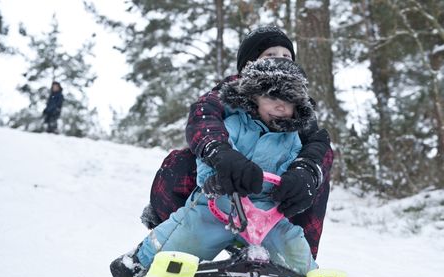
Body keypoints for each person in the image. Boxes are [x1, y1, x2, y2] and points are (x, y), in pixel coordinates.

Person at [111, 58, 318, 277]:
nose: (280, 107)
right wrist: (213, 179)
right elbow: (212, 155)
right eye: (272, 98)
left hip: (265, 211)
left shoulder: (292, 141)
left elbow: (294, 166)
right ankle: (142, 262)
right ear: (254, 97)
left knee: (289, 240)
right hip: (221, 201)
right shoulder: (236, 125)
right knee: (189, 230)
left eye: (288, 101)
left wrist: (292, 184)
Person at [141, 26, 333, 259]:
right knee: (179, 162)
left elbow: (317, 144)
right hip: (218, 187)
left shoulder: (296, 108)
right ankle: (171, 242)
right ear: (248, 65)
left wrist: (306, 172)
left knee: (314, 178)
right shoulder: (229, 92)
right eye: (270, 55)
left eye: (286, 56)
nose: (279, 61)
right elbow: (203, 117)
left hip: (269, 201)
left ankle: (296, 263)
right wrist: (223, 155)